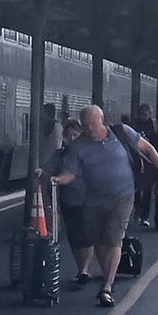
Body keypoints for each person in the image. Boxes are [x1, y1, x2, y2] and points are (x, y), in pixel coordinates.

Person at [52, 105, 158, 308]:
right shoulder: (78, 147)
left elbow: (148, 149)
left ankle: (106, 287)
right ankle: (108, 278)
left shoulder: (121, 132)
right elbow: (70, 172)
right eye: (85, 125)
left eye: (93, 123)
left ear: (102, 119)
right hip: (93, 200)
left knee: (114, 239)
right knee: (99, 242)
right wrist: (58, 179)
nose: (90, 128)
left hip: (123, 195)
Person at [50, 118, 94, 286]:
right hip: (68, 200)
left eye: (75, 135)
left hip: (88, 200)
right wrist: (43, 172)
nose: (72, 138)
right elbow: (49, 167)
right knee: (74, 237)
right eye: (69, 136)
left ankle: (84, 270)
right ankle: (80, 268)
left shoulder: (90, 153)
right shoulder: (61, 155)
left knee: (87, 236)